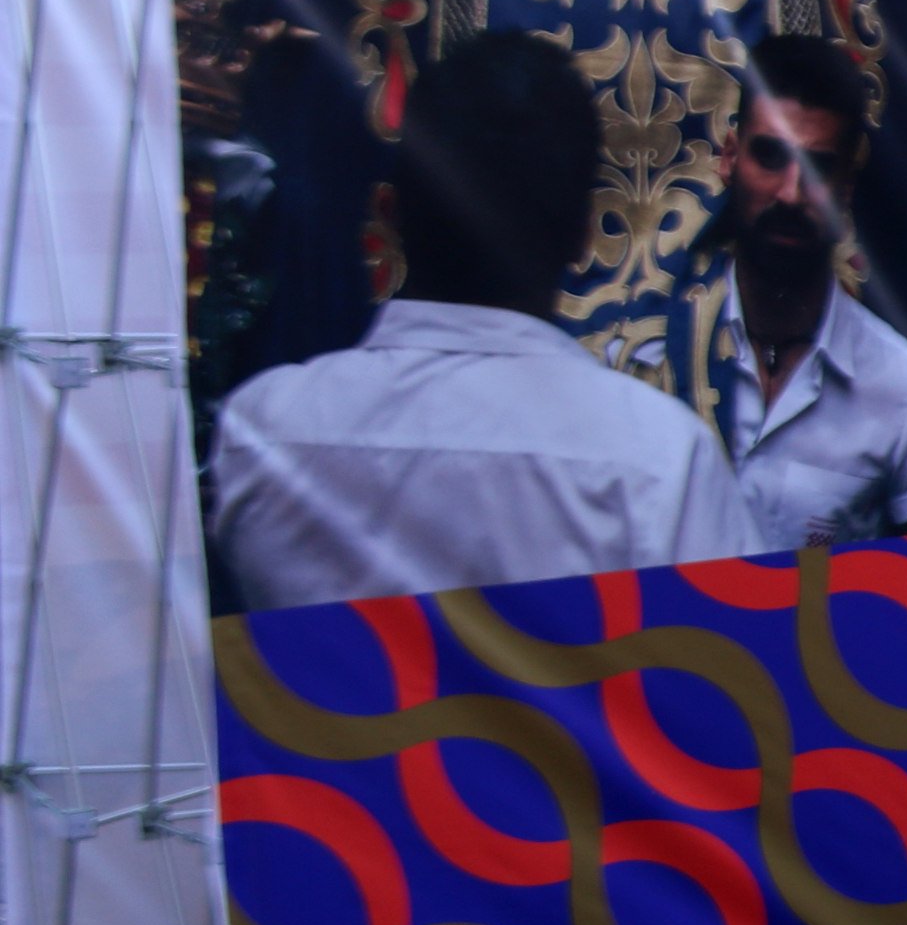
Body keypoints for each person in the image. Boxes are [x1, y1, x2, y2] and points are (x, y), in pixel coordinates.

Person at [208, 32, 759, 610]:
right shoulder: (662, 461)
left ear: (389, 215)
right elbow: (731, 671)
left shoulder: (260, 435)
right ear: (584, 236)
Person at [681, 36, 907, 550]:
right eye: (769, 156)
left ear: (847, 185)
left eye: (816, 168)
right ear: (729, 157)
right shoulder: (654, 349)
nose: (790, 192)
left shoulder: (904, 391)